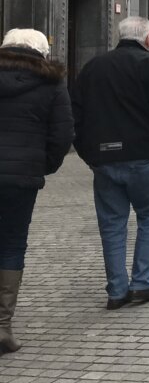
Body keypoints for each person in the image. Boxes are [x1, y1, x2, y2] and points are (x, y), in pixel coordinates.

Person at [72, 17, 149, 310]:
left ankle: (116, 290)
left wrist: (88, 154)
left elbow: (76, 114)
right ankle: (142, 284)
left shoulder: (92, 68)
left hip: (104, 159)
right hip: (145, 157)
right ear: (148, 39)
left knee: (111, 224)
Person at [0, 29, 74, 354]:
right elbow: (62, 134)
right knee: (12, 244)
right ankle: (2, 327)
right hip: (22, 179)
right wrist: (41, 165)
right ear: (42, 52)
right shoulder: (51, 82)